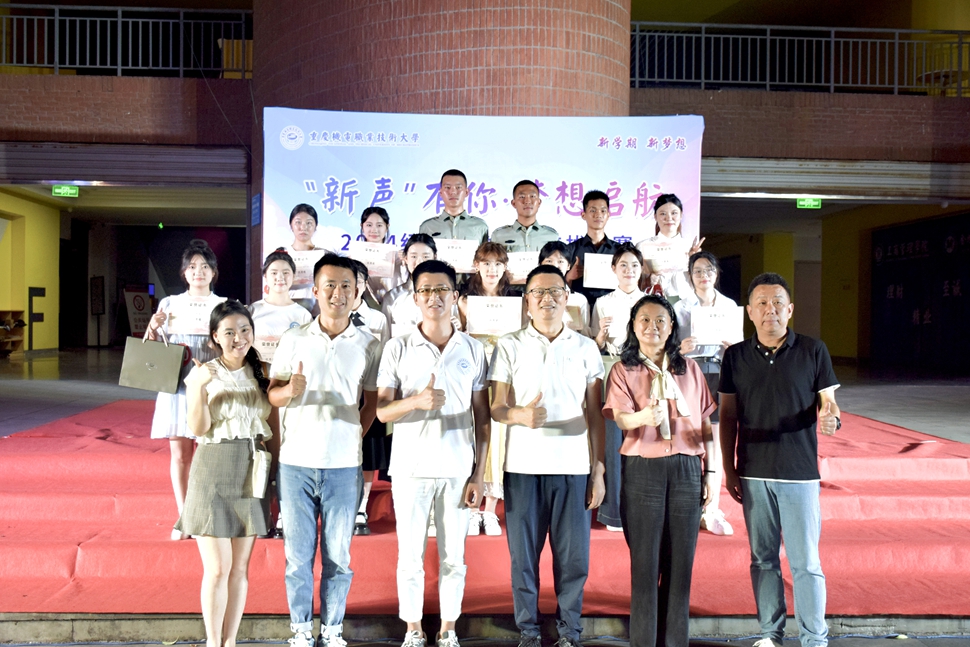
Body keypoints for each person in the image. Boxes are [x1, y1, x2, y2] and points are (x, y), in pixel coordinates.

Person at [719, 273, 841, 647]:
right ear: (749, 312)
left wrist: (831, 417)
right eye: (761, 303)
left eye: (777, 303)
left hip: (799, 473)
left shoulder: (813, 350)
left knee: (806, 563)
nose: (769, 309)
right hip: (753, 472)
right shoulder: (735, 356)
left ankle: (814, 639)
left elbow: (829, 403)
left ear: (789, 310)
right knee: (763, 560)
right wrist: (729, 469)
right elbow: (727, 415)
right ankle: (771, 635)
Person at [488, 265, 606, 647]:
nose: (547, 299)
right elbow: (496, 407)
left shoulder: (585, 347)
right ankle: (529, 631)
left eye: (555, 291)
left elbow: (596, 414)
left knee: (573, 560)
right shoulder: (509, 345)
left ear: (567, 298)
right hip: (522, 467)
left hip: (572, 467)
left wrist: (598, 469)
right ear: (527, 301)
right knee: (523, 559)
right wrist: (519, 414)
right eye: (538, 292)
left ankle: (570, 632)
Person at [268, 254, 382, 647]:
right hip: (296, 463)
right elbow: (273, 395)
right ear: (315, 290)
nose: (338, 293)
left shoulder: (369, 344)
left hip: (343, 466)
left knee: (339, 557)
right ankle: (300, 629)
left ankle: (332, 629)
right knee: (298, 557)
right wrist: (290, 390)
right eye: (329, 285)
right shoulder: (294, 338)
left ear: (357, 291)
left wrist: (353, 434)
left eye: (346, 285)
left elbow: (371, 402)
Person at [376, 259, 490, 647]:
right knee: (409, 556)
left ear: (455, 296)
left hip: (457, 468)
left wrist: (479, 473)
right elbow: (382, 411)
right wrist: (416, 401)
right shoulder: (397, 347)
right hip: (410, 467)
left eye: (442, 290)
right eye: (425, 290)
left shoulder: (473, 349)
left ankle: (448, 628)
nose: (433, 297)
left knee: (454, 556)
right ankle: (412, 628)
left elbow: (483, 417)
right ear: (415, 297)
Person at [602, 294, 717, 647]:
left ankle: (675, 642)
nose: (652, 327)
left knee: (681, 564)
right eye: (645, 320)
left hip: (687, 467)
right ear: (633, 327)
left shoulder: (690, 369)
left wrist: (712, 473)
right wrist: (643, 417)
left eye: (660, 321)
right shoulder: (623, 370)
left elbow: (706, 423)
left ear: (671, 328)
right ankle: (644, 641)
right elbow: (621, 418)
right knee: (645, 564)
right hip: (643, 469)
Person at [178, 300, 272, 647]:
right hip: (212, 469)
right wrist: (197, 388)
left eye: (244, 330)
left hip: (252, 469)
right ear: (215, 337)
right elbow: (198, 428)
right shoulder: (204, 373)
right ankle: (213, 641)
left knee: (239, 569)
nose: (239, 338)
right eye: (229, 332)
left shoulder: (263, 370)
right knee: (217, 568)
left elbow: (272, 426)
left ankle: (230, 641)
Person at [146, 239, 226, 540]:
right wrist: (153, 328)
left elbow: (235, 347)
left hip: (212, 387)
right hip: (176, 386)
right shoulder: (169, 305)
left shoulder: (224, 305)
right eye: (192, 266)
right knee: (180, 455)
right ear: (184, 272)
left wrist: (217, 346)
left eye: (204, 266)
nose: (198, 272)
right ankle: (184, 516)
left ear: (213, 272)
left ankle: (205, 512)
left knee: (209, 456)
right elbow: (154, 350)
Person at [457, 242, 523, 537]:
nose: (492, 269)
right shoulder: (464, 300)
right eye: (486, 263)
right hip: (472, 373)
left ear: (505, 267)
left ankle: (490, 510)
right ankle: (472, 509)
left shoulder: (516, 301)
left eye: (498, 264)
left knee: (498, 436)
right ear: (477, 265)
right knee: (473, 433)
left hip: (503, 374)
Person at [248, 248, 313, 538]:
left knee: (286, 449)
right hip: (258, 386)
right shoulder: (253, 311)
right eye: (274, 273)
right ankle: (262, 516)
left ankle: (286, 514)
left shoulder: (302, 314)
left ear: (294, 277)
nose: (280, 278)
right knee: (261, 450)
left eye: (286, 273)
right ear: (265, 277)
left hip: (288, 390)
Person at [673, 251, 738, 536]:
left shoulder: (729, 306)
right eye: (697, 271)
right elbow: (669, 346)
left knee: (715, 439)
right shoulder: (679, 307)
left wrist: (732, 347)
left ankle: (712, 508)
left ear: (716, 274)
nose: (703, 276)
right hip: (689, 371)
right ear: (690, 276)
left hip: (719, 371)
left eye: (709, 270)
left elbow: (739, 344)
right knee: (689, 437)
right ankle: (689, 505)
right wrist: (680, 348)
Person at [348, 259, 390, 536]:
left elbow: (385, 355)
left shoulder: (378, 319)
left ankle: (361, 506)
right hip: (342, 392)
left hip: (370, 391)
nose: (353, 287)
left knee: (368, 453)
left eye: (359, 281)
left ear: (364, 285)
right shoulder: (330, 314)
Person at [634, 194, 703, 301]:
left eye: (674, 213)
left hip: (684, 303)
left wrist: (694, 260)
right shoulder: (643, 246)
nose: (669, 218)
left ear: (681, 215)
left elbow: (701, 281)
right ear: (655, 217)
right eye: (663, 214)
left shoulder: (690, 247)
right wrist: (647, 279)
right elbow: (633, 278)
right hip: (653, 302)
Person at [568, 190, 619, 309]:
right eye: (593, 210)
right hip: (579, 309)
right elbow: (558, 286)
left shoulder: (619, 251)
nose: (598, 215)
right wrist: (569, 277)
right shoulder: (571, 249)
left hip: (611, 309)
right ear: (583, 215)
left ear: (608, 215)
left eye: (603, 210)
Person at [592, 243, 646, 356]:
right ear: (614, 268)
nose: (629, 270)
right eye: (623, 265)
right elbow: (595, 347)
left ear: (641, 268)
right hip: (614, 360)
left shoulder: (650, 302)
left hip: (645, 360)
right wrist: (601, 334)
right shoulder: (602, 302)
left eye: (635, 265)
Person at [382, 234, 437, 338]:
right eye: (414, 256)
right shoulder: (392, 297)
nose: (419, 262)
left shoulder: (445, 294)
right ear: (406, 258)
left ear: (435, 257)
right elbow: (385, 337)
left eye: (426, 256)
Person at [418, 169, 489, 244]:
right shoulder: (427, 227)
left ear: (466, 192)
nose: (453, 192)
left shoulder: (480, 226)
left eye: (458, 187)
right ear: (441, 192)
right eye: (447, 187)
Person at [491, 180, 560, 252]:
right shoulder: (498, 236)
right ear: (514, 203)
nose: (527, 201)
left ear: (539, 202)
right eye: (522, 197)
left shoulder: (552, 236)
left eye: (532, 196)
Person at [538, 241, 590, 336]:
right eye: (549, 261)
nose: (555, 266)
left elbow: (585, 335)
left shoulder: (579, 300)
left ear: (568, 266)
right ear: (540, 264)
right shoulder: (532, 297)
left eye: (560, 261)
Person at [358, 206, 404, 307]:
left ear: (387, 227)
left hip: (394, 306)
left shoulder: (397, 255)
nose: (374, 230)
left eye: (379, 225)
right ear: (362, 226)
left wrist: (406, 261)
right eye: (369, 225)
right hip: (365, 306)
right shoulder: (355, 255)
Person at [286, 204, 328, 311]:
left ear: (316, 226)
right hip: (286, 310)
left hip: (319, 311)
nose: (303, 227)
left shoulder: (325, 256)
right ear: (291, 225)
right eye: (298, 222)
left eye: (309, 223)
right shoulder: (282, 254)